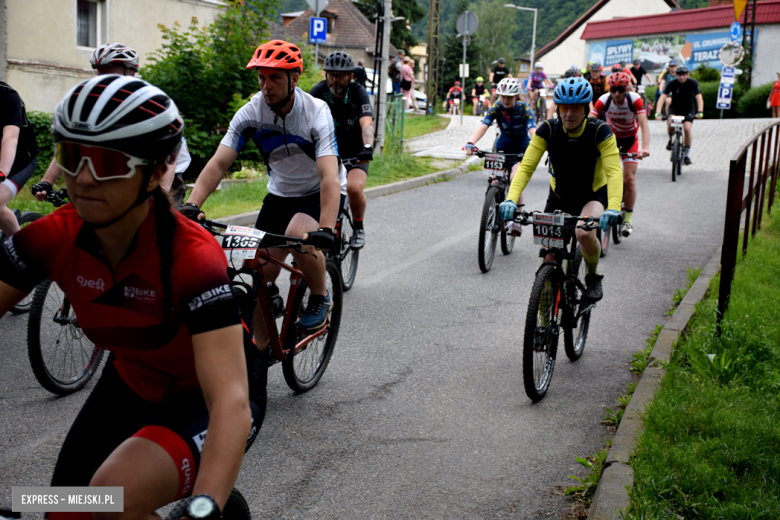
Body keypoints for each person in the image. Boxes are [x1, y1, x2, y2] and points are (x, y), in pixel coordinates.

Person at [0, 75, 264, 519]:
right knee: (58, 509)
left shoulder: (191, 257)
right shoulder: (52, 237)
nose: (82, 179)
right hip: (132, 381)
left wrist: (204, 508)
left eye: (105, 162)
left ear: (158, 170)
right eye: (72, 156)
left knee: (108, 495)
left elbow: (230, 404)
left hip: (210, 397)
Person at [181, 40, 344, 342]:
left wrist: (326, 227)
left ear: (294, 79)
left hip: (317, 191)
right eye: (261, 77)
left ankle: (320, 297)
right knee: (258, 273)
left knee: (299, 233)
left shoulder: (316, 112)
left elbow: (329, 177)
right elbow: (218, 164)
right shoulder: (250, 113)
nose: (266, 85)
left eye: (275, 77)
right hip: (280, 193)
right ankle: (260, 348)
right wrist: (192, 205)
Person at [498, 77, 623, 302]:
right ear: (557, 108)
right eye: (564, 107)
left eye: (575, 108)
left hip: (592, 196)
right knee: (548, 257)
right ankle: (543, 327)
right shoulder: (548, 129)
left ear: (586, 109)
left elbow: (614, 172)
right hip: (559, 197)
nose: (569, 113)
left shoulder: (600, 131)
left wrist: (613, 207)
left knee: (584, 232)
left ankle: (593, 276)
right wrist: (510, 199)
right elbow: (525, 168)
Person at [30, 42, 193, 208]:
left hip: (163, 170)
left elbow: (167, 156)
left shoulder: (149, 105)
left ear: (131, 73)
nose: (105, 82)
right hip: (121, 169)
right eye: (101, 76)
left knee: (156, 225)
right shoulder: (93, 105)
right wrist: (46, 182)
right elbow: (73, 143)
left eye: (112, 77)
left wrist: (162, 192)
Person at [309, 51, 373, 250]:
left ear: (351, 76)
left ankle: (358, 227)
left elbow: (367, 123)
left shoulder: (357, 92)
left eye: (340, 74)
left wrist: (368, 146)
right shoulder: (317, 93)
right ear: (325, 74)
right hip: (326, 154)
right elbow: (303, 121)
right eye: (331, 74)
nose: (335, 79)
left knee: (354, 188)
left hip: (355, 153)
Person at [465, 78, 536, 236]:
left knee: (515, 177)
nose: (505, 100)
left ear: (516, 96)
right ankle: (491, 208)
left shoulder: (524, 109)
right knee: (495, 179)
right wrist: (471, 142)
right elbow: (484, 126)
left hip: (521, 150)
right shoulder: (497, 106)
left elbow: (533, 131)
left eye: (509, 97)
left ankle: (516, 217)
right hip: (502, 148)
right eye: (503, 96)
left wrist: (537, 147)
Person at [590, 72, 650, 238]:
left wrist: (644, 148)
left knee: (628, 179)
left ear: (627, 89)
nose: (617, 93)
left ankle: (628, 220)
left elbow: (644, 125)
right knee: (604, 175)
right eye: (614, 89)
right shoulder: (604, 100)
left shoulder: (634, 99)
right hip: (610, 141)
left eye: (621, 90)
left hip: (631, 141)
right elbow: (589, 122)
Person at [0, 81, 38, 240]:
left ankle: (23, 250)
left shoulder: (8, 96)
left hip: (20, 160)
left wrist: (2, 173)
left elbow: (10, 138)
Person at [656, 65, 703, 166]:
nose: (682, 77)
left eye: (684, 75)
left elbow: (699, 97)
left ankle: (686, 154)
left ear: (687, 75)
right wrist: (658, 113)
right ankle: (671, 139)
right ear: (676, 75)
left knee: (687, 129)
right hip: (675, 108)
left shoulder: (693, 83)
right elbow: (662, 98)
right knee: (670, 123)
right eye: (679, 75)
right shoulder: (672, 83)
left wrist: (700, 111)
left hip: (688, 109)